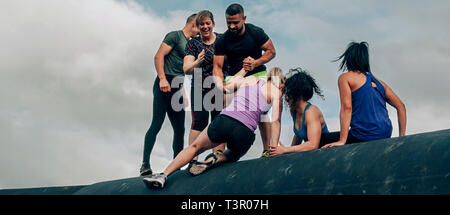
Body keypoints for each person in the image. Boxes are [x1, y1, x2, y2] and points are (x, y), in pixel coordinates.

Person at [142, 69, 284, 189]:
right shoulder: (277, 93)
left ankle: (163, 175)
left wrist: (243, 71)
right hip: (244, 131)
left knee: (195, 147)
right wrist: (273, 148)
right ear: (281, 83)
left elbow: (227, 87)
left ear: (269, 76)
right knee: (232, 155)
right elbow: (276, 121)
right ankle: (214, 160)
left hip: (225, 120)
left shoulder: (252, 80)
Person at [213, 3, 276, 157]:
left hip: (257, 74)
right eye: (229, 23)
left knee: (261, 110)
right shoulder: (223, 40)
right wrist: (220, 85)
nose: (232, 26)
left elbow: (271, 52)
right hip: (235, 77)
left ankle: (267, 149)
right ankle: (219, 151)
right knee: (227, 110)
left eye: (236, 22)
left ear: (244, 19)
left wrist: (255, 63)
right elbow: (217, 67)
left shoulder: (255, 32)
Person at [140, 14, 199, 176]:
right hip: (164, 84)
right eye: (199, 28)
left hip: (177, 88)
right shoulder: (175, 36)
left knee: (180, 129)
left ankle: (176, 166)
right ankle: (145, 164)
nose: (200, 32)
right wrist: (162, 79)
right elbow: (158, 56)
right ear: (193, 25)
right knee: (157, 123)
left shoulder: (192, 44)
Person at [321, 42, 407, 149]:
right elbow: (401, 106)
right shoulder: (380, 83)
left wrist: (342, 140)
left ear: (349, 59)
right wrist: (401, 137)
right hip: (385, 134)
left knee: (321, 139)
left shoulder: (345, 78)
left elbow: (346, 108)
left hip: (364, 135)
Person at [183, 10, 225, 164]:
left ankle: (218, 156)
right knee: (199, 122)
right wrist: (197, 61)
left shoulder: (222, 39)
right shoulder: (193, 43)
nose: (205, 26)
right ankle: (192, 159)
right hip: (200, 86)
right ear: (198, 27)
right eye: (202, 24)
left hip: (219, 86)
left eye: (208, 23)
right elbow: (186, 69)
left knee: (218, 121)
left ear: (213, 24)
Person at [269, 68, 334, 156]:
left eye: (288, 94)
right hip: (312, 155)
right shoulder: (294, 111)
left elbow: (313, 144)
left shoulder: (311, 112)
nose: (286, 98)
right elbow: (299, 135)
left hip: (325, 154)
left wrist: (285, 150)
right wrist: (287, 154)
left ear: (296, 94)